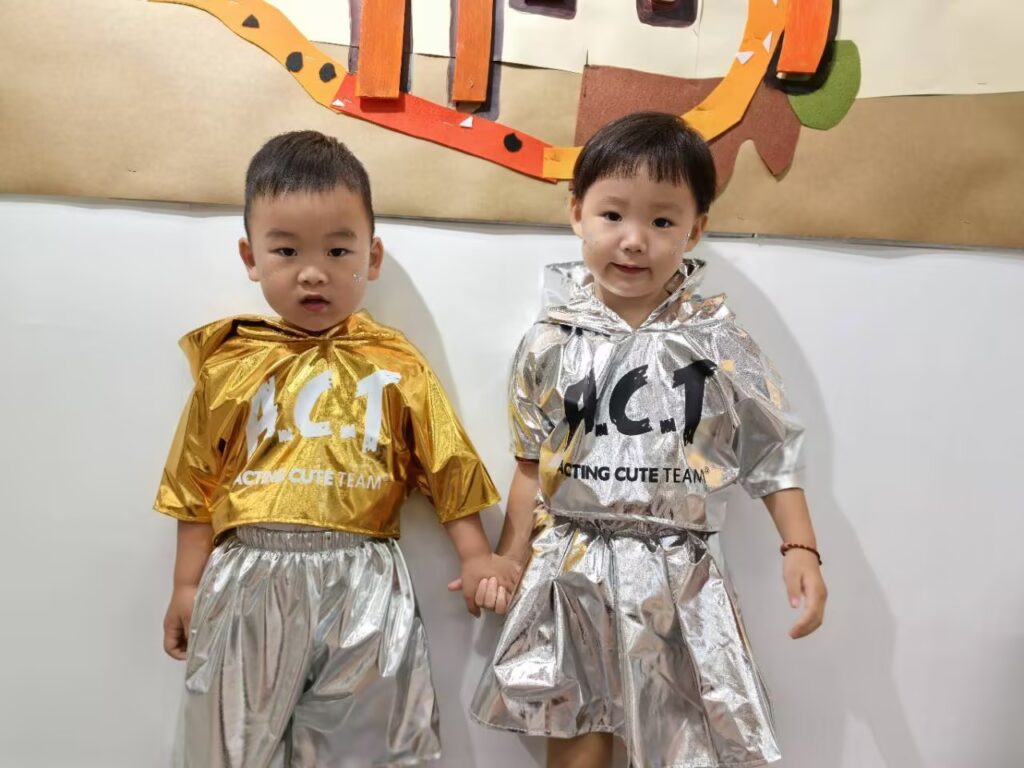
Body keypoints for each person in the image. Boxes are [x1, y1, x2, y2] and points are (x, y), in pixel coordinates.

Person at [471, 112, 828, 768]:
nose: (634, 240)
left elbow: (772, 451)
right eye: (612, 215)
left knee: (684, 745)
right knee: (577, 741)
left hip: (678, 575)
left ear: (696, 228)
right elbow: (530, 465)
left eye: (662, 221)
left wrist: (800, 546)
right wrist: (507, 560)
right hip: (573, 570)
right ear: (577, 213)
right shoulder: (550, 340)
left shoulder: (719, 341)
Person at [156, 130, 520, 767]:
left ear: (371, 257)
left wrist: (476, 554)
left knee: (366, 747)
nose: (313, 271)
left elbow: (446, 464)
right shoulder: (231, 366)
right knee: (230, 745)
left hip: (365, 582)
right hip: (248, 578)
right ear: (250, 256)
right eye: (286, 250)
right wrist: (187, 584)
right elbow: (195, 484)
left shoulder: (395, 364)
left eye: (337, 249)